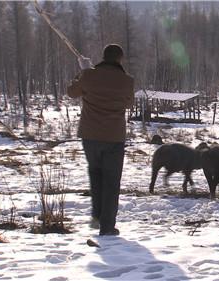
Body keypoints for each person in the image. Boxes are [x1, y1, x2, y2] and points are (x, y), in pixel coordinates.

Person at [67, 44, 134, 235]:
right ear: (120, 59)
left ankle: (96, 216)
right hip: (114, 137)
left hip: (90, 135)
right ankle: (107, 226)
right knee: (112, 181)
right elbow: (129, 104)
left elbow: (71, 92)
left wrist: (83, 72)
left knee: (96, 175)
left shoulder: (89, 75)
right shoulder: (127, 80)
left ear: (103, 57)